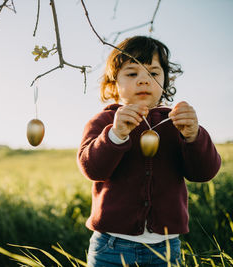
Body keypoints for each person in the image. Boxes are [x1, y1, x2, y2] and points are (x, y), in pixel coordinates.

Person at [77, 36, 221, 267]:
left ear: (165, 80)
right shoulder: (106, 121)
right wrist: (115, 135)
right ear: (113, 83)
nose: (143, 80)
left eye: (153, 73)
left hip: (165, 248)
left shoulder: (176, 122)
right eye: (132, 74)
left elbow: (204, 173)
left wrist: (193, 135)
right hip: (111, 246)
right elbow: (92, 168)